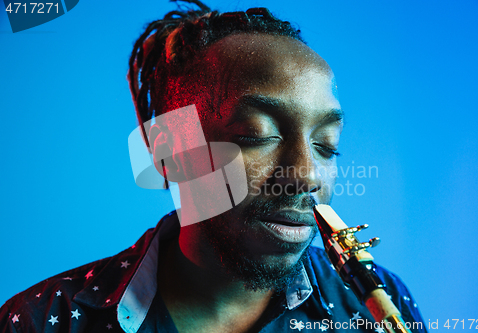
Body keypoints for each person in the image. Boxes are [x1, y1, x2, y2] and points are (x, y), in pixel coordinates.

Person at [0, 1, 427, 332]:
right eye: (257, 134)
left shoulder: (378, 303)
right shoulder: (39, 319)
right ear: (170, 151)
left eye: (326, 146)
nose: (308, 175)